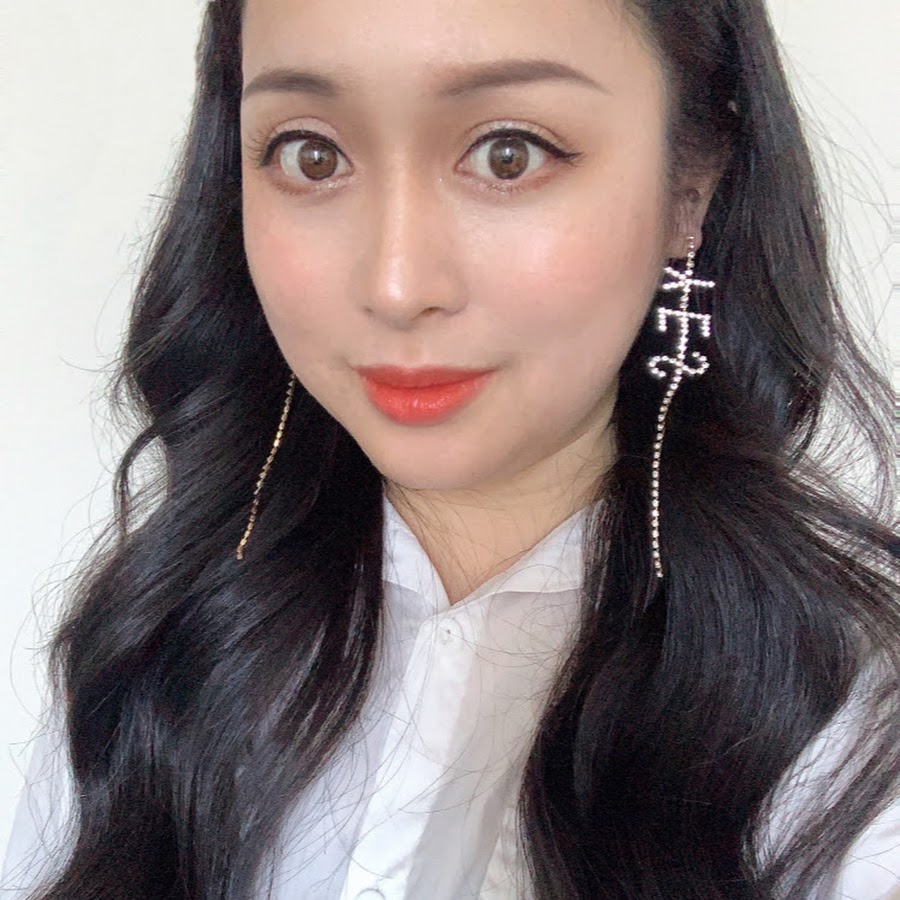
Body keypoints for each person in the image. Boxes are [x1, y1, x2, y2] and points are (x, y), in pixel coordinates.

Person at [2, 0, 898, 897]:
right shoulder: (157, 654)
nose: (396, 286)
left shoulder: (854, 743)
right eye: (312, 155)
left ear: (691, 184)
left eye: (510, 153)